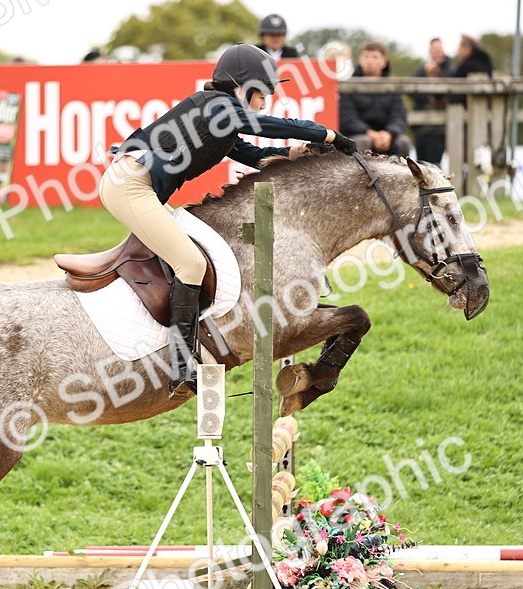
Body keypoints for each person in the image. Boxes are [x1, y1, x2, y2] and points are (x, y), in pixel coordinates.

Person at [103, 44, 356, 396]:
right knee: (190, 263)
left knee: (189, 257)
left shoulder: (218, 117)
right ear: (242, 85)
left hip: (134, 185)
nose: (266, 100)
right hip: (129, 186)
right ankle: (179, 364)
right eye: (263, 91)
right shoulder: (217, 106)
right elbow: (262, 125)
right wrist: (325, 134)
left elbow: (252, 154)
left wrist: (290, 153)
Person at [339, 41, 411, 157]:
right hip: (359, 135)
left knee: (403, 142)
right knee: (362, 142)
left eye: (374, 57)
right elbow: (348, 118)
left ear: (384, 62)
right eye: (366, 56)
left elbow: (399, 116)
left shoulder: (392, 88)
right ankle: (359, 175)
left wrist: (389, 134)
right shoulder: (348, 86)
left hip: (386, 135)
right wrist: (371, 134)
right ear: (360, 60)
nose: (369, 61)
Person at [411, 38, 454, 166]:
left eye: (439, 49)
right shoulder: (421, 70)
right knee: (420, 164)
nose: (437, 53)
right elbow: (412, 91)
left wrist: (434, 76)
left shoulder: (450, 70)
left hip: (439, 127)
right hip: (421, 126)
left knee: (435, 165)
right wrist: (426, 73)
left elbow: (443, 94)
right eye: (434, 50)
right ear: (429, 52)